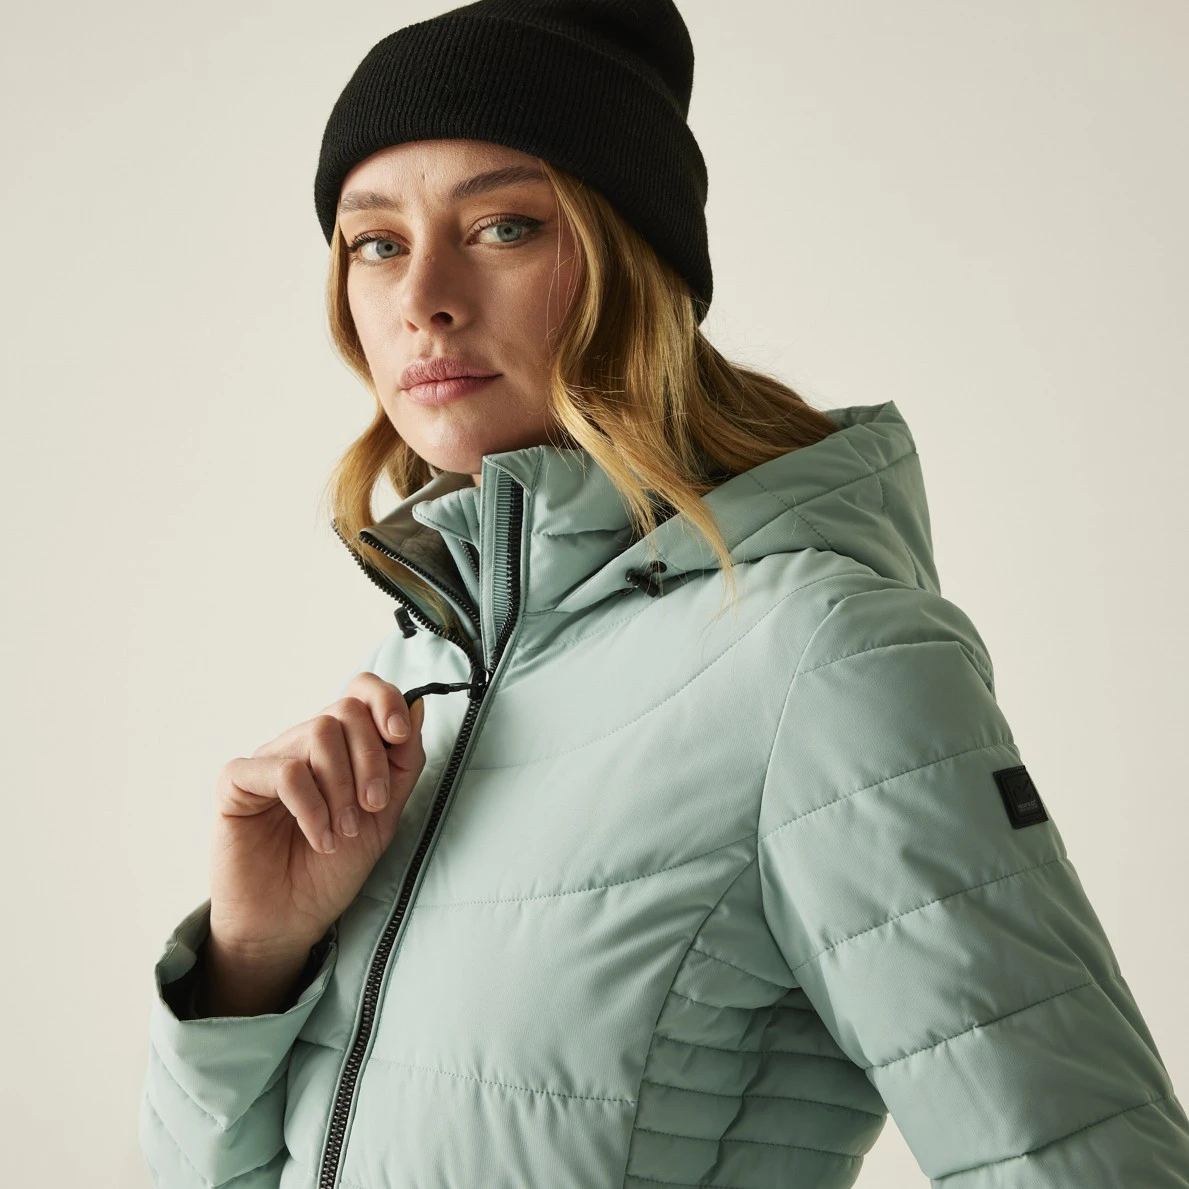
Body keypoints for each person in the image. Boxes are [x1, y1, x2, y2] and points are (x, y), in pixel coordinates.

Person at [137, 1, 1189, 1186]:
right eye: (375, 242)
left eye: (504, 226)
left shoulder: (819, 661)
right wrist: (251, 956)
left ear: (634, 263)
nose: (422, 294)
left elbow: (1083, 1159)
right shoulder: (418, 671)